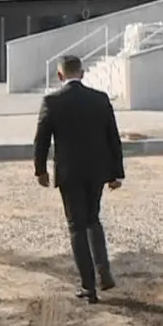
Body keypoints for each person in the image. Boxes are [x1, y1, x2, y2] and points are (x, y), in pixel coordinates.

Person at [34, 54, 126, 304]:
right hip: (97, 171)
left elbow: (42, 139)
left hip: (69, 172)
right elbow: (113, 137)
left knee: (76, 226)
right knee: (93, 219)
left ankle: (88, 286)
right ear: (82, 74)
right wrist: (116, 173)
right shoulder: (100, 99)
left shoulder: (52, 101)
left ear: (59, 75)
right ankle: (103, 271)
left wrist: (40, 170)